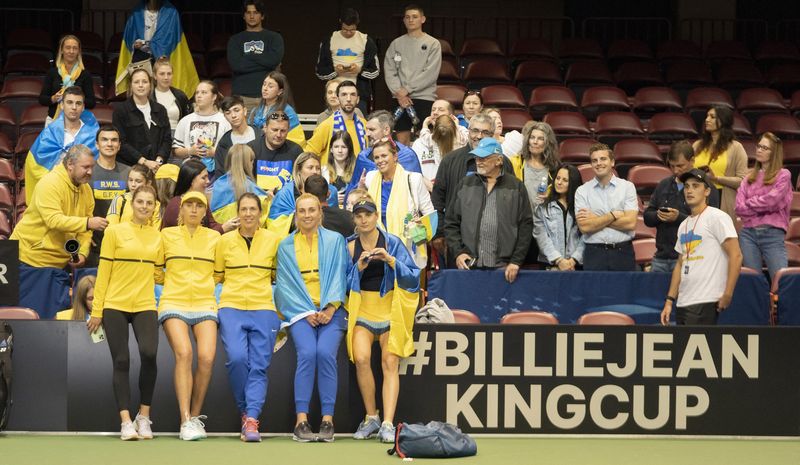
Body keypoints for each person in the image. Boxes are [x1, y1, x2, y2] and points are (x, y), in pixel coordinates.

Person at [87, 185, 163, 441]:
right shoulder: (114, 232)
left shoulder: (157, 236)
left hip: (145, 304)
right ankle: (126, 422)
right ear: (132, 204)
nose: (144, 206)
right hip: (114, 305)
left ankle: (144, 417)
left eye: (149, 203)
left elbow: (160, 273)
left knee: (150, 354)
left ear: (155, 206)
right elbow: (104, 272)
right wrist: (97, 310)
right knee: (121, 361)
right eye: (140, 201)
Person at [274, 194, 349, 443]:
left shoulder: (336, 240)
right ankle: (301, 420)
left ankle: (328, 420)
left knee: (325, 354)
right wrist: (306, 312)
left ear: (320, 213)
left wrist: (330, 308)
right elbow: (284, 286)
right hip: (300, 314)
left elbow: (340, 275)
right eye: (302, 211)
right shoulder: (285, 246)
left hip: (332, 311)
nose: (307, 215)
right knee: (307, 353)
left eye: (311, 210)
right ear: (296, 214)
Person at [346, 198, 420, 442]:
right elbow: (341, 284)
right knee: (362, 358)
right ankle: (371, 417)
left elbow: (413, 279)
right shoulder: (349, 246)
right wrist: (358, 267)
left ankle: (388, 423)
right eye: (358, 216)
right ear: (354, 220)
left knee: (390, 362)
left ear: (377, 216)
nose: (363, 219)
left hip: (390, 310)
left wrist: (391, 260)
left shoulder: (393, 243)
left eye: (368, 214)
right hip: (363, 310)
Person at [214, 192, 282, 442]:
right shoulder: (224, 241)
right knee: (237, 358)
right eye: (244, 209)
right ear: (237, 212)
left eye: (253, 209)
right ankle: (245, 409)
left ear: (260, 213)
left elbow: (278, 276)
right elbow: (217, 276)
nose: (248, 214)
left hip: (264, 307)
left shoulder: (273, 240)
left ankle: (251, 418)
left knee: (259, 366)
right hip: (231, 306)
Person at [11, 145, 108, 316]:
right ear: (70, 164)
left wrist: (83, 253)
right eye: (85, 167)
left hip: (57, 266)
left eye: (92, 167)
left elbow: (85, 233)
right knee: (25, 320)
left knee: (51, 322)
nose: (90, 172)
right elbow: (53, 220)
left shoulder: (86, 190)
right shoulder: (49, 183)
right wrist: (87, 222)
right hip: (27, 260)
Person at [157, 191, 221, 440]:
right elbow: (156, 269)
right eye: (189, 205)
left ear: (205, 212)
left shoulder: (215, 237)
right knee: (184, 353)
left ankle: (194, 418)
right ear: (181, 210)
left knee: (206, 358)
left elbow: (219, 273)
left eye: (199, 206)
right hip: (173, 300)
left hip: (205, 302)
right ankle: (184, 420)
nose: (194, 210)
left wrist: (206, 288)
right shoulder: (166, 235)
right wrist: (172, 285)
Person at [660, 169, 742, 325]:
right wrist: (670, 301)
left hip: (707, 299)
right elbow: (679, 263)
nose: (690, 190)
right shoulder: (683, 224)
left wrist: (728, 293)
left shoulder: (717, 217)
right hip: (683, 301)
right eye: (687, 186)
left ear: (707, 191)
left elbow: (736, 255)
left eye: (695, 186)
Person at [444, 137, 532, 283]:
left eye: (484, 157)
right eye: (477, 157)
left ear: (499, 161)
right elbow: (451, 222)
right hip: (469, 267)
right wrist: (458, 252)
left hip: (504, 269)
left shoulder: (516, 187)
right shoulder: (465, 184)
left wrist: (516, 261)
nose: (479, 161)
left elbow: (526, 226)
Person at [431, 112, 513, 258]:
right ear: (468, 131)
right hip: (456, 241)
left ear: (493, 134)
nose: (479, 136)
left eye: (485, 132)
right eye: (475, 130)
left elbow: (511, 204)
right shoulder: (450, 160)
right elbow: (437, 201)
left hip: (494, 242)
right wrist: (439, 233)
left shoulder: (504, 162)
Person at [644, 140, 720, 273]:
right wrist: (658, 215)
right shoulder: (664, 184)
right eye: (672, 166)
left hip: (693, 258)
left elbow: (711, 224)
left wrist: (678, 217)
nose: (675, 170)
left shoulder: (706, 188)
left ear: (692, 160)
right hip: (661, 257)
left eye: (680, 166)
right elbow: (647, 217)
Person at [363, 139, 434, 267]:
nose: (380, 160)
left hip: (407, 248)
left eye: (384, 156)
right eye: (376, 157)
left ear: (395, 156)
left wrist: (419, 227)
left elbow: (430, 214)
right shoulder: (370, 178)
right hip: (377, 248)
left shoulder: (414, 179)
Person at [24, 86, 99, 202]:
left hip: (84, 190)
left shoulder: (93, 134)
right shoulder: (50, 133)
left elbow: (99, 164)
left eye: (78, 103)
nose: (74, 107)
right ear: (62, 105)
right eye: (69, 102)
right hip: (55, 190)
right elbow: (34, 164)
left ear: (83, 107)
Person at [735, 132, 793, 280]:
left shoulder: (784, 175)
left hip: (773, 234)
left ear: (774, 153)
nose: (759, 150)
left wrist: (750, 203)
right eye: (759, 146)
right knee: (752, 282)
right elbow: (739, 208)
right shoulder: (748, 177)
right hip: (748, 235)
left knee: (781, 281)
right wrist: (760, 205)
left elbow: (772, 201)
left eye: (764, 148)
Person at [383, 4, 442, 145]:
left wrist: (407, 89)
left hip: (424, 97)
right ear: (403, 20)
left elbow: (430, 73)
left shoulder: (433, 43)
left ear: (423, 19)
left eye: (415, 17)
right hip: (400, 98)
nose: (411, 20)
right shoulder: (396, 44)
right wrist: (399, 93)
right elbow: (389, 70)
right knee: (401, 140)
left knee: (424, 138)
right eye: (408, 17)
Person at [115, 0, 198, 98]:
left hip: (163, 57)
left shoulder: (171, 12)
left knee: (162, 93)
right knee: (142, 91)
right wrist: (135, 44)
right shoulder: (137, 12)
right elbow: (130, 37)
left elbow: (171, 38)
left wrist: (150, 45)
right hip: (141, 59)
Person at [574, 143, 638, 271]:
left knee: (623, 291)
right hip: (594, 253)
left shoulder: (627, 187)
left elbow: (630, 223)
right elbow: (585, 227)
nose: (598, 163)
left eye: (603, 159)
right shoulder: (582, 191)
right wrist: (612, 216)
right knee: (593, 292)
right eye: (594, 160)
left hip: (623, 252)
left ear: (612, 162)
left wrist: (596, 218)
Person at [315, 8, 380, 115]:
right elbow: (319, 72)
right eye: (345, 29)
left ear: (357, 25)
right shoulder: (329, 40)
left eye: (352, 30)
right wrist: (335, 71)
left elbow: (375, 72)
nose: (348, 33)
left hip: (358, 93)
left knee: (358, 126)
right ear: (340, 22)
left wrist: (359, 70)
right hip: (334, 93)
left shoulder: (366, 40)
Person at [344, 109, 423, 196]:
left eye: (372, 129)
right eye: (366, 130)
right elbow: (352, 192)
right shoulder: (363, 157)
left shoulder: (408, 155)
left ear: (386, 130)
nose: (367, 134)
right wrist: (360, 188)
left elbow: (418, 190)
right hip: (371, 207)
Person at [692, 105, 748, 222]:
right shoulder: (697, 145)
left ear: (723, 121)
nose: (707, 120)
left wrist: (716, 178)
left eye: (712, 117)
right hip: (697, 196)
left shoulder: (736, 147)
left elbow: (743, 181)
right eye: (707, 116)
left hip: (722, 197)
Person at [228, 0, 285, 112]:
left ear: (262, 16)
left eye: (256, 12)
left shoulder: (274, 38)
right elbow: (237, 66)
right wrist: (265, 61)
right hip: (242, 97)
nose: (252, 16)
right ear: (244, 16)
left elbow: (274, 60)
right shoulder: (235, 40)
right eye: (248, 13)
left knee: (270, 129)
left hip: (269, 97)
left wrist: (248, 57)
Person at [88, 126, 131, 267]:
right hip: (93, 242)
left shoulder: (129, 173)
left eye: (114, 140)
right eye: (104, 140)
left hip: (123, 243)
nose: (109, 144)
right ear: (97, 144)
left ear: (119, 146)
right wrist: (82, 235)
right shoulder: (87, 171)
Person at [113, 68, 172, 171]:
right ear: (131, 85)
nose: (141, 85)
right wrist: (144, 162)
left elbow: (166, 140)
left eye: (144, 82)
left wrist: (159, 161)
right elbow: (120, 142)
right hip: (130, 167)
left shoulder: (160, 110)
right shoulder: (121, 110)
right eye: (136, 82)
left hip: (157, 167)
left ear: (150, 85)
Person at [267, 152, 337, 238]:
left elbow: (334, 218)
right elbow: (274, 223)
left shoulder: (331, 191)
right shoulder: (285, 193)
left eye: (318, 168)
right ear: (299, 171)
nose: (315, 172)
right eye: (310, 168)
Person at [161, 159, 237, 233]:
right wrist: (223, 228)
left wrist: (229, 224)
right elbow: (193, 234)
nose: (208, 181)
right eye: (204, 178)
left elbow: (212, 225)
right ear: (191, 180)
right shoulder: (176, 204)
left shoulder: (202, 199)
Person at [172, 80, 231, 174]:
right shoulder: (185, 121)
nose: (199, 96)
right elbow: (176, 150)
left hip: (217, 172)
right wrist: (190, 151)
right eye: (197, 93)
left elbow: (232, 151)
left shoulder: (225, 121)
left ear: (214, 97)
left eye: (204, 92)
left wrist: (216, 152)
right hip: (190, 173)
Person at [533, 164, 585, 270]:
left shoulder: (582, 207)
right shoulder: (542, 207)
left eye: (565, 180)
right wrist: (559, 260)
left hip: (575, 265)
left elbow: (586, 236)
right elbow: (541, 237)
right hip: (549, 265)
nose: (559, 182)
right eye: (558, 178)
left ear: (573, 183)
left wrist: (573, 260)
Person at [306, 81, 368, 165]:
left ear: (358, 99)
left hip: (360, 176)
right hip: (333, 176)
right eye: (344, 95)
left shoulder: (364, 124)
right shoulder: (327, 125)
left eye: (353, 94)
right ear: (338, 98)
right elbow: (309, 153)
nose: (348, 99)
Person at [39, 34, 96, 123]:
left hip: (78, 121)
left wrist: (76, 99)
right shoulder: (52, 73)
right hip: (54, 120)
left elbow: (91, 102)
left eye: (75, 48)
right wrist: (54, 98)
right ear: (62, 50)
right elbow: (42, 99)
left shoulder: (85, 74)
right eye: (68, 48)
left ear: (78, 51)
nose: (71, 51)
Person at [210, 143, 271, 225]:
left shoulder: (218, 184)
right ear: (248, 163)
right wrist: (270, 199)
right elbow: (264, 217)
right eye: (252, 161)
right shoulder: (251, 187)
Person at [511, 121, 561, 211]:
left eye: (540, 139)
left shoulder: (555, 168)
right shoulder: (515, 162)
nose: (535, 142)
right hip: (519, 219)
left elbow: (562, 198)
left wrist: (550, 198)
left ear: (548, 143)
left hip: (544, 220)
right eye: (532, 137)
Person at [248, 72, 305, 147]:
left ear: (280, 91)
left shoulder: (287, 111)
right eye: (264, 84)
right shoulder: (255, 110)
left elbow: (296, 140)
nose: (265, 88)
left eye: (270, 86)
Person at [251, 111, 304, 192]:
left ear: (288, 130)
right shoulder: (251, 149)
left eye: (283, 131)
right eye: (274, 130)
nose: (279, 135)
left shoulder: (296, 151)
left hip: (287, 202)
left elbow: (301, 184)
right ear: (265, 128)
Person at [412, 114, 465, 190]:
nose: (436, 113)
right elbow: (466, 133)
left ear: (435, 130)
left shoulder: (431, 140)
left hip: (439, 180)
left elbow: (424, 135)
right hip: (455, 181)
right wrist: (457, 125)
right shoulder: (461, 140)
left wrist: (425, 124)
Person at [214, 95, 258, 179]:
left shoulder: (260, 135)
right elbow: (220, 175)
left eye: (236, 110)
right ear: (225, 117)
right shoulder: (224, 143)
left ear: (244, 111)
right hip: (234, 187)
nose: (233, 115)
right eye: (228, 113)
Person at [107, 164, 162, 228]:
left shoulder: (156, 204)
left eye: (138, 181)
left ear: (148, 183)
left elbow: (156, 232)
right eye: (130, 180)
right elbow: (111, 228)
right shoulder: (119, 200)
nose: (133, 184)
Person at [152, 58, 191, 135]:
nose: (166, 77)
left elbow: (187, 120)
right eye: (162, 74)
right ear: (155, 76)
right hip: (155, 137)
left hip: (178, 137)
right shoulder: (148, 96)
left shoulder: (180, 95)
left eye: (169, 74)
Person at [323, 130, 356, 204]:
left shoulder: (356, 172)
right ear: (331, 149)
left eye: (344, 147)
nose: (340, 150)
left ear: (349, 150)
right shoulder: (323, 172)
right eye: (336, 147)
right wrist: (332, 198)